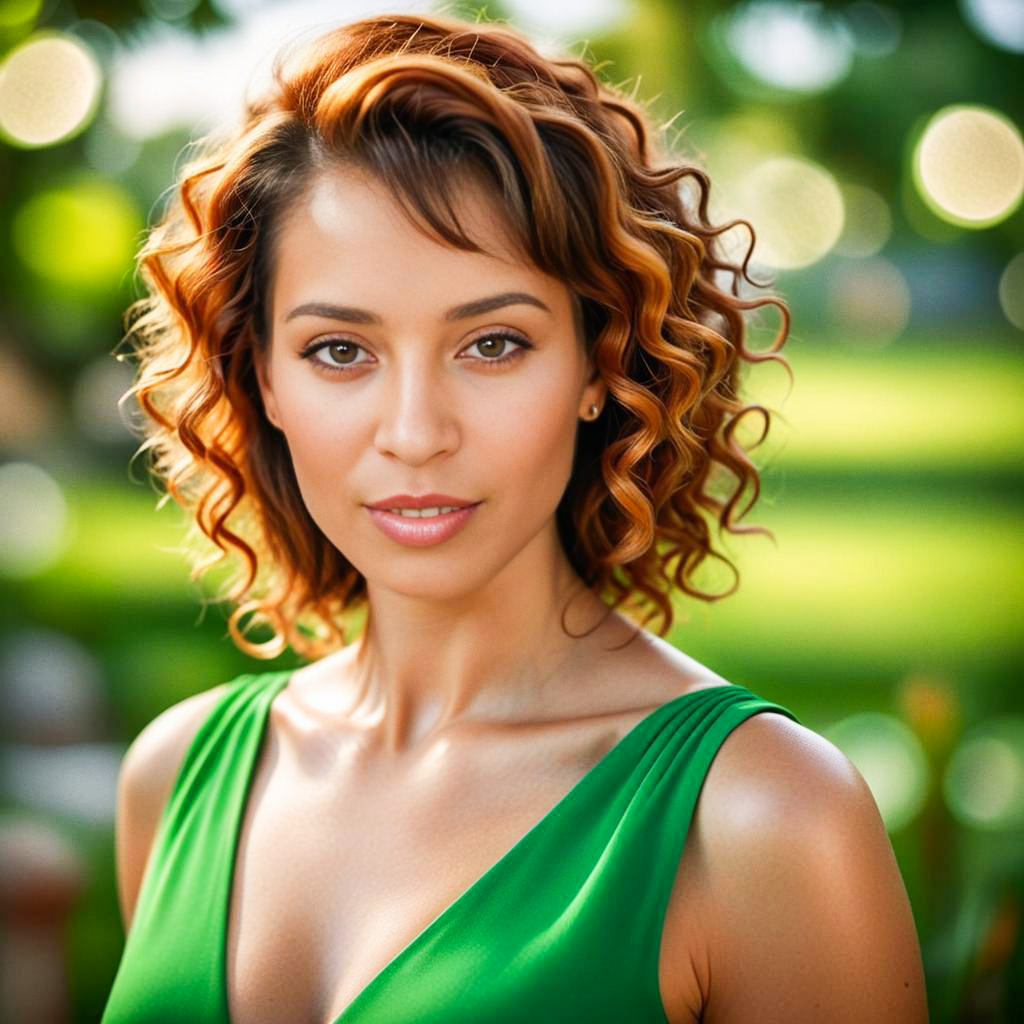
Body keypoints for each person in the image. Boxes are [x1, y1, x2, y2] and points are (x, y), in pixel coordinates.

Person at [101, 9, 928, 1023]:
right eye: (338, 351)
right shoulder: (176, 777)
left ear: (597, 362)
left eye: (491, 343)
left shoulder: (762, 816)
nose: (413, 432)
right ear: (260, 374)